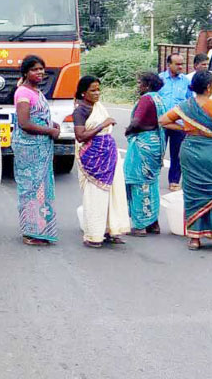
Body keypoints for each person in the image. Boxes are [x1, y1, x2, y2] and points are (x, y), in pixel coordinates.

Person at [159, 71, 212, 255]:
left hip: (190, 151)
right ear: (209, 87)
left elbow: (163, 121)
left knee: (193, 193)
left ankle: (195, 238)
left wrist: (186, 128)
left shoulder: (184, 106)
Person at [72, 76, 130, 248]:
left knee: (114, 192)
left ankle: (112, 230)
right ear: (83, 93)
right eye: (92, 90)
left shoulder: (98, 107)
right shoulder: (80, 111)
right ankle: (94, 234)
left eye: (98, 89)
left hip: (109, 154)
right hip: (92, 156)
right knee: (95, 195)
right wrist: (103, 124)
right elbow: (80, 136)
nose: (97, 93)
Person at [13, 55, 59, 246]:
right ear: (25, 72)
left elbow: (39, 115)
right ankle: (30, 231)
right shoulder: (23, 93)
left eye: (41, 69)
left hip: (42, 147)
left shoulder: (36, 91)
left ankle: (41, 229)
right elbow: (24, 123)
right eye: (35, 69)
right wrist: (49, 130)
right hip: (29, 148)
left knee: (41, 188)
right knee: (30, 188)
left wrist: (52, 124)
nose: (40, 72)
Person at [124, 73, 167, 236]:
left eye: (140, 83)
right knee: (151, 182)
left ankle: (140, 225)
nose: (138, 86)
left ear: (147, 85)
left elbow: (137, 121)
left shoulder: (146, 99)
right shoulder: (159, 99)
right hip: (155, 143)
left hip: (143, 144)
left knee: (137, 182)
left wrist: (128, 130)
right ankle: (153, 222)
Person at [159, 53, 192, 191]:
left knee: (177, 154)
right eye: (177, 64)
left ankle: (174, 180)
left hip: (178, 124)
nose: (180, 67)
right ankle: (151, 178)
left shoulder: (186, 81)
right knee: (157, 152)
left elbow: (190, 101)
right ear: (169, 65)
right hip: (161, 123)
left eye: (181, 64)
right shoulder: (159, 79)